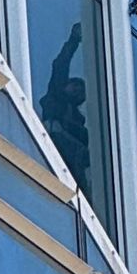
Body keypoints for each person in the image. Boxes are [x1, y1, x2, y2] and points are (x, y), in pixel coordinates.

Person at [37, 23, 96, 188]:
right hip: (52, 139)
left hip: (69, 156)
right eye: (76, 86)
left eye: (80, 91)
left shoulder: (78, 121)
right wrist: (73, 40)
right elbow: (60, 65)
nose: (77, 90)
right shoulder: (56, 95)